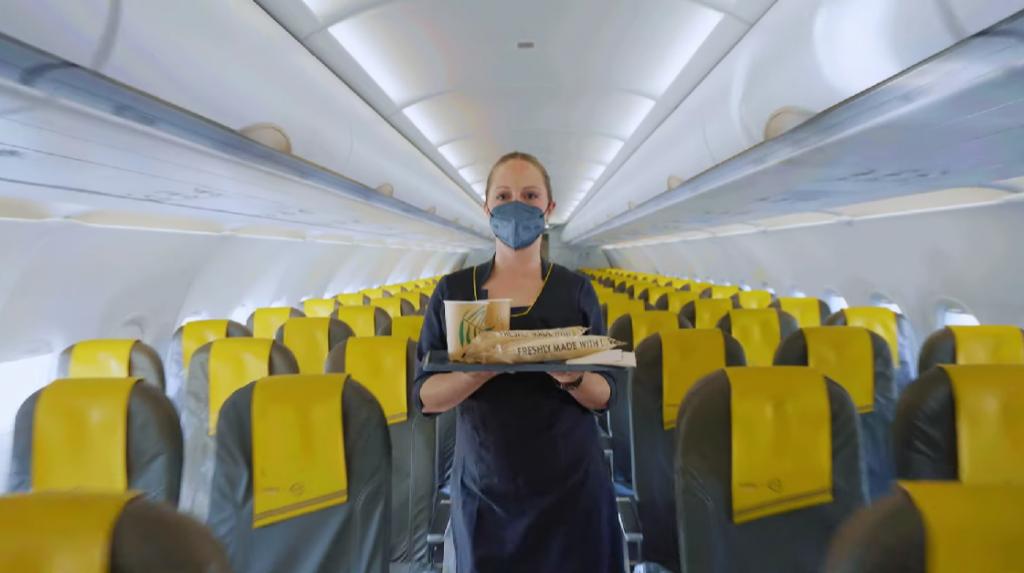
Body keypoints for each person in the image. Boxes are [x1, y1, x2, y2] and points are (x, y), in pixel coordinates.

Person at [413, 152, 625, 573]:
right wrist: (478, 370)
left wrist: (574, 376)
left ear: (549, 209)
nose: (516, 205)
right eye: (504, 195)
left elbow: (607, 394)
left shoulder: (575, 291)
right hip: (487, 487)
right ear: (487, 207)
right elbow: (425, 397)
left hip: (572, 487)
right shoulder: (458, 290)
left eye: (530, 195)